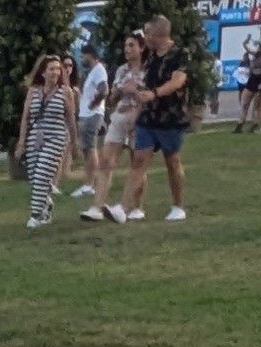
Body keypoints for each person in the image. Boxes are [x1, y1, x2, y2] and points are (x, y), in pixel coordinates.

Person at [118, 14, 190, 223]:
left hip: (171, 118)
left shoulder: (180, 54)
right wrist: (137, 96)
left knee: (172, 161)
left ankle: (178, 206)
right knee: (139, 160)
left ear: (158, 34)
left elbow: (177, 81)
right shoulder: (151, 57)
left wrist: (155, 93)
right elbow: (146, 87)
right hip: (148, 116)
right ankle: (123, 207)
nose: (145, 37)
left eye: (147, 33)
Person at [84, 31, 145, 223]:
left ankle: (137, 207)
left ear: (142, 48)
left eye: (132, 45)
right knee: (106, 161)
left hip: (139, 119)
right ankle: (97, 207)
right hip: (119, 116)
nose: (127, 49)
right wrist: (118, 92)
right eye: (126, 45)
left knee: (137, 163)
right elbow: (111, 99)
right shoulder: (121, 70)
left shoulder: (149, 69)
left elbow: (151, 96)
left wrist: (135, 91)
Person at [15, 53, 76, 227]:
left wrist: (74, 142)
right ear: (42, 72)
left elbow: (71, 119)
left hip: (56, 138)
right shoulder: (33, 91)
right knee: (35, 179)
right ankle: (46, 206)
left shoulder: (66, 92)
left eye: (58, 69)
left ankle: (36, 215)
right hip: (35, 138)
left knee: (41, 175)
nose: (55, 72)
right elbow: (25, 118)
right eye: (51, 69)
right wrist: (21, 143)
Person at [71, 43, 107, 199]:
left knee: (90, 148)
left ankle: (89, 184)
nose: (81, 59)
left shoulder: (98, 70)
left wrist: (94, 103)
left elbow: (104, 89)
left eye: (83, 56)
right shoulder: (93, 72)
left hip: (92, 115)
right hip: (87, 115)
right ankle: (91, 182)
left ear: (90, 55)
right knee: (87, 149)